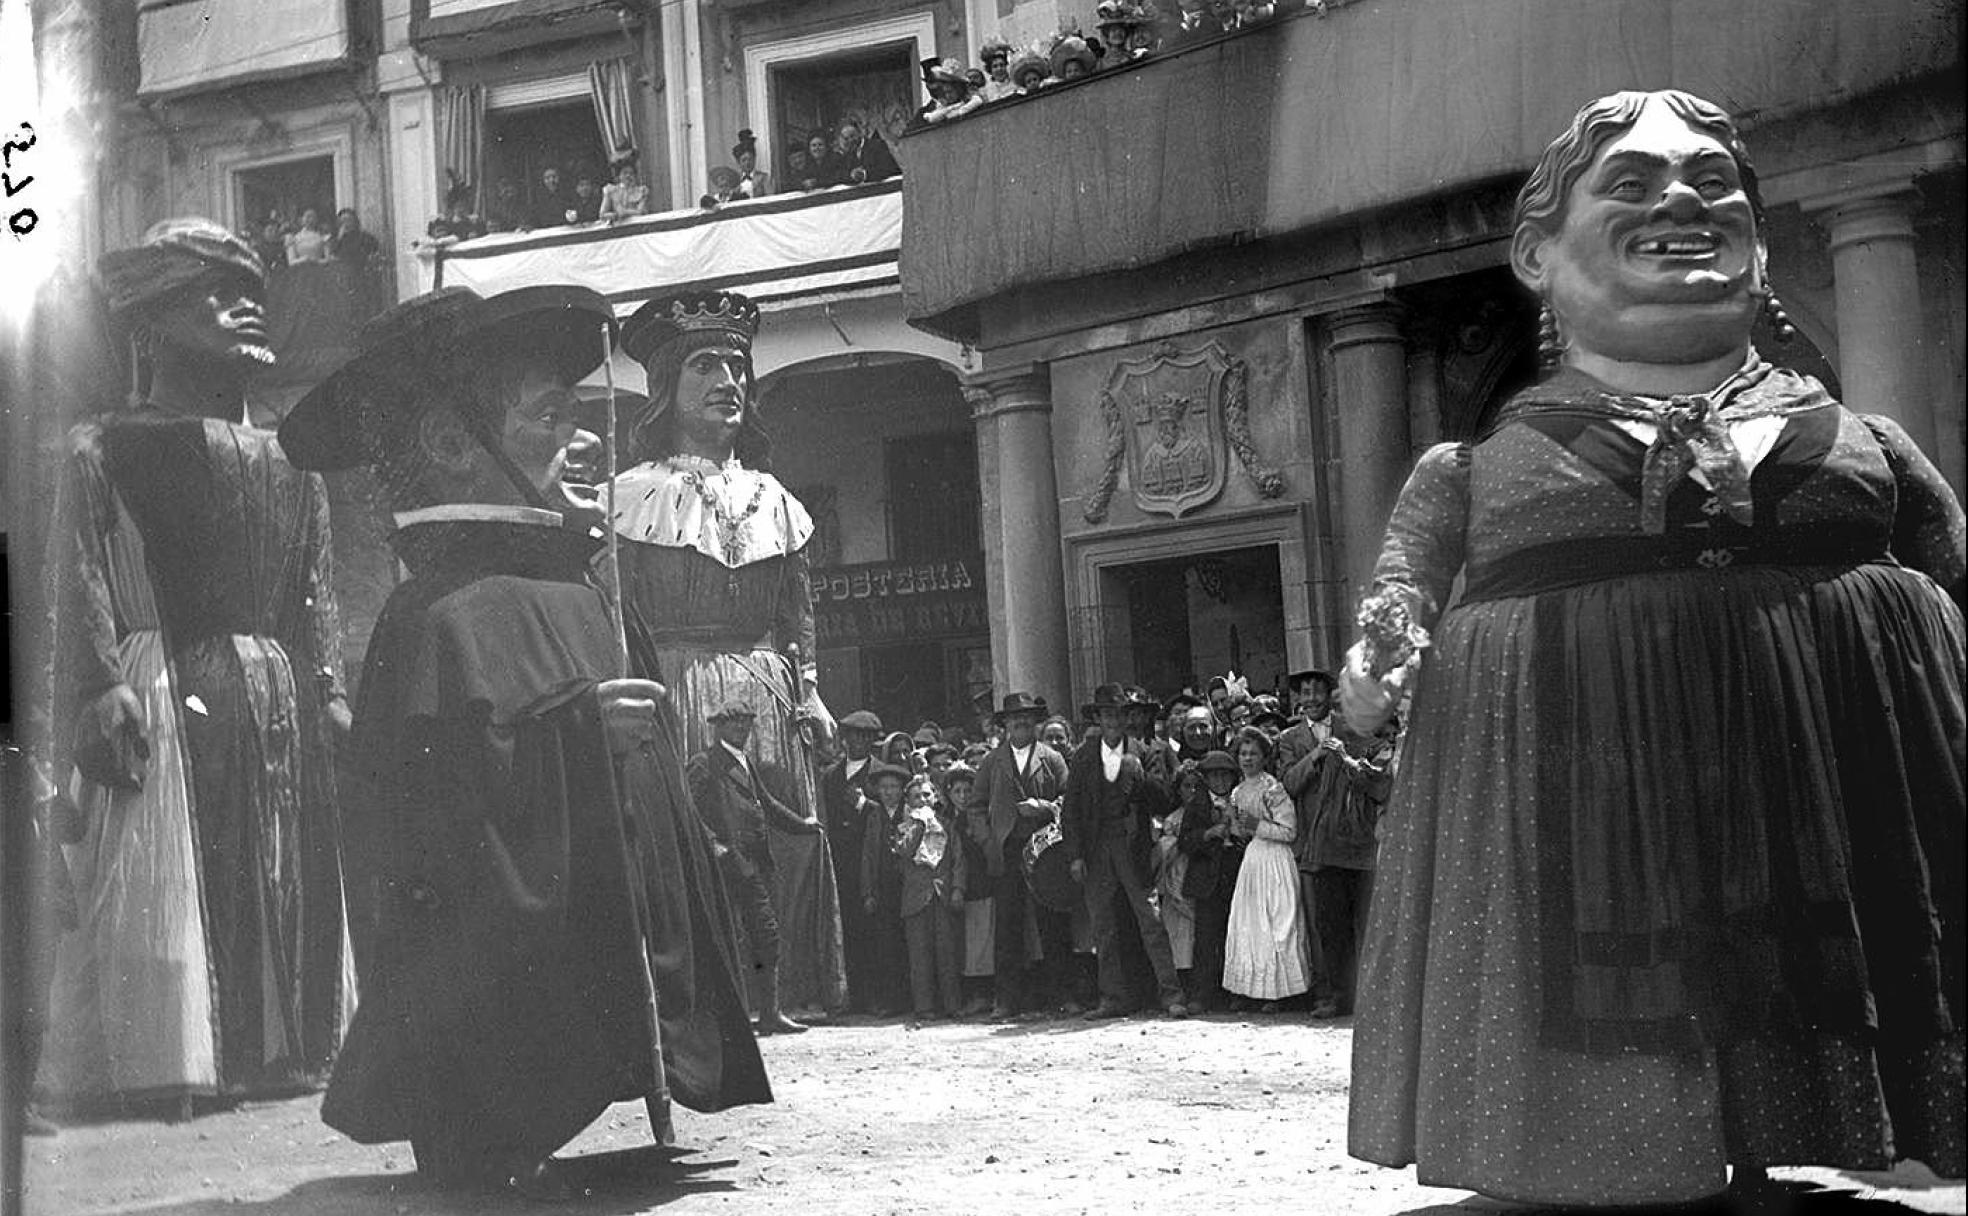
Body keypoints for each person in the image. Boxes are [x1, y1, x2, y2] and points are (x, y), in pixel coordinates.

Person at [1344, 89, 1965, 1206]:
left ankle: (1796, 1132)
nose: (1682, 197)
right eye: (1630, 184)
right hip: (1591, 802)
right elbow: (1398, 602)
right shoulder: (1472, 472)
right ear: (1537, 252)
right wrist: (1382, 657)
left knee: (1810, 958)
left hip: (1825, 794)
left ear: (1761, 251)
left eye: (1714, 183)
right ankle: (1628, 1153)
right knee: (1634, 974)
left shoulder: (1870, 442)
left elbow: (1954, 566)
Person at [280, 284, 771, 1194]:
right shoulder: (435, 618)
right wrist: (575, 737)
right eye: (550, 415)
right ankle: (491, 1117)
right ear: (452, 446)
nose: (581, 438)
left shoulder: (578, 587)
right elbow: (439, 832)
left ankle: (644, 1058)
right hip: (488, 1012)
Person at [36, 220, 353, 1112]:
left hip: (274, 692)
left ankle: (279, 1050)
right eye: (216, 289)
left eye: (251, 284)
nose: (247, 302)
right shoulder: (104, 444)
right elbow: (79, 571)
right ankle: (172, 1060)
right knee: (172, 895)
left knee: (288, 873)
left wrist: (328, 686)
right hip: (165, 686)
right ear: (151, 320)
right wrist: (98, 683)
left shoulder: (294, 455)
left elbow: (316, 586)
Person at [606, 289, 847, 1017]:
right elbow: (618, 619)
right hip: (677, 690)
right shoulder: (629, 496)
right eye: (705, 365)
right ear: (665, 388)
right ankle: (710, 997)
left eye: (738, 365)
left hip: (770, 691)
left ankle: (784, 993)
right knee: (701, 847)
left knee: (780, 848)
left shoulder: (775, 496)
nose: (729, 381)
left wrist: (811, 692)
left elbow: (797, 613)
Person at [688, 702, 826, 1035]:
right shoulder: (704, 763)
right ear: (718, 727)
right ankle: (722, 1021)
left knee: (765, 937)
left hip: (753, 865)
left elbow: (767, 803)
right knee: (723, 939)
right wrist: (715, 846)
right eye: (735, 725)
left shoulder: (744, 761)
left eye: (746, 725)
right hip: (725, 866)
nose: (742, 730)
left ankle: (769, 1014)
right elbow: (689, 809)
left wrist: (804, 824)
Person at [1061, 683, 1187, 1019]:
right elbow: (1070, 809)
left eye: (1119, 714)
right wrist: (1075, 855)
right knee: (1103, 925)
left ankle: (1171, 994)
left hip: (1132, 845)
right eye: (1107, 714)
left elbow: (1165, 801)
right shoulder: (1084, 756)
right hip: (1096, 847)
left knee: (1151, 920)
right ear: (1099, 718)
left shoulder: (1144, 751)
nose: (1114, 720)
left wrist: (1142, 776)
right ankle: (1112, 998)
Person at [968, 692, 1075, 1018]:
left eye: (1027, 717)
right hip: (1008, 851)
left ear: (1034, 722)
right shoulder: (992, 761)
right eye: (1014, 718)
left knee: (1052, 923)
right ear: (1005, 724)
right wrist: (989, 842)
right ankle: (1007, 1000)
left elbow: (1068, 800)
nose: (1021, 722)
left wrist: (1043, 807)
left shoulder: (1052, 758)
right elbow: (975, 807)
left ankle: (1061, 995)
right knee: (1008, 927)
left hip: (1045, 850)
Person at [1298, 717, 1393, 1020]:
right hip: (1329, 848)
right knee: (1331, 926)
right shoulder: (1330, 748)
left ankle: (1372, 997)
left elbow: (1378, 787)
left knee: (1366, 927)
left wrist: (1345, 759)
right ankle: (1339, 996)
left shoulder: (1382, 750)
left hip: (1364, 851)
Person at [1220, 727, 1308, 1010]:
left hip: (1276, 860)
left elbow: (1289, 830)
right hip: (1254, 858)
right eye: (1243, 753)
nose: (1247, 759)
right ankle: (1250, 991)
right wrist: (1232, 824)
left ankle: (1280, 994)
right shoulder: (1237, 791)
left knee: (1277, 921)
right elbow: (1241, 832)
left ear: (1264, 757)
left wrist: (1256, 825)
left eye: (1253, 754)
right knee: (1250, 923)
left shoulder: (1273, 788)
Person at [889, 774, 965, 1020]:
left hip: (942, 894)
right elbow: (904, 851)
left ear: (935, 798)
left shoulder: (947, 825)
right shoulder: (904, 827)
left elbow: (958, 860)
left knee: (947, 952)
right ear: (908, 802)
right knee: (919, 955)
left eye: (926, 795)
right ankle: (924, 1007)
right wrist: (919, 825)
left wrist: (957, 889)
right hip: (916, 898)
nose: (922, 800)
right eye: (915, 796)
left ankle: (952, 1004)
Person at [822, 708, 883, 1011]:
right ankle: (853, 995)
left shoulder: (882, 772)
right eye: (852, 736)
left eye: (864, 737)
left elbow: (893, 811)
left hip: (868, 860)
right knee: (846, 925)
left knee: (871, 927)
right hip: (840, 858)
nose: (857, 742)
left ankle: (874, 994)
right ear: (844, 739)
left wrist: (865, 804)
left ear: (872, 740)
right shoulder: (831, 774)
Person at [1177, 748, 1243, 1010]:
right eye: (1214, 776)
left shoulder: (1239, 799)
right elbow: (1184, 842)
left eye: (1225, 776)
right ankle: (1201, 994)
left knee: (1235, 934)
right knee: (1206, 937)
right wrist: (1207, 835)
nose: (1220, 782)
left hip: (1236, 872)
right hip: (1207, 877)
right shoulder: (1198, 803)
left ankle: (1234, 994)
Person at [857, 761, 914, 1014]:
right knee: (885, 946)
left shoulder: (911, 814)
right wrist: (868, 891)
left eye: (894, 787)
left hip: (908, 886)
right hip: (884, 888)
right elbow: (868, 855)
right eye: (884, 787)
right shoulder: (874, 816)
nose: (889, 792)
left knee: (908, 944)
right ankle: (890, 1001)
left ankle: (912, 999)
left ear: (902, 789)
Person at [600, 152, 651, 223]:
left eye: (631, 173)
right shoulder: (611, 190)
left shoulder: (641, 191)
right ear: (619, 176)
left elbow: (640, 211)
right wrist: (615, 215)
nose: (628, 176)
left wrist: (624, 212)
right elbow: (602, 214)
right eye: (625, 173)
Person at [733, 130, 771, 198]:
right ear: (739, 162)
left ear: (754, 159)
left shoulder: (764, 178)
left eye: (750, 159)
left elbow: (770, 199)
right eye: (744, 160)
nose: (747, 163)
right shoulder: (735, 181)